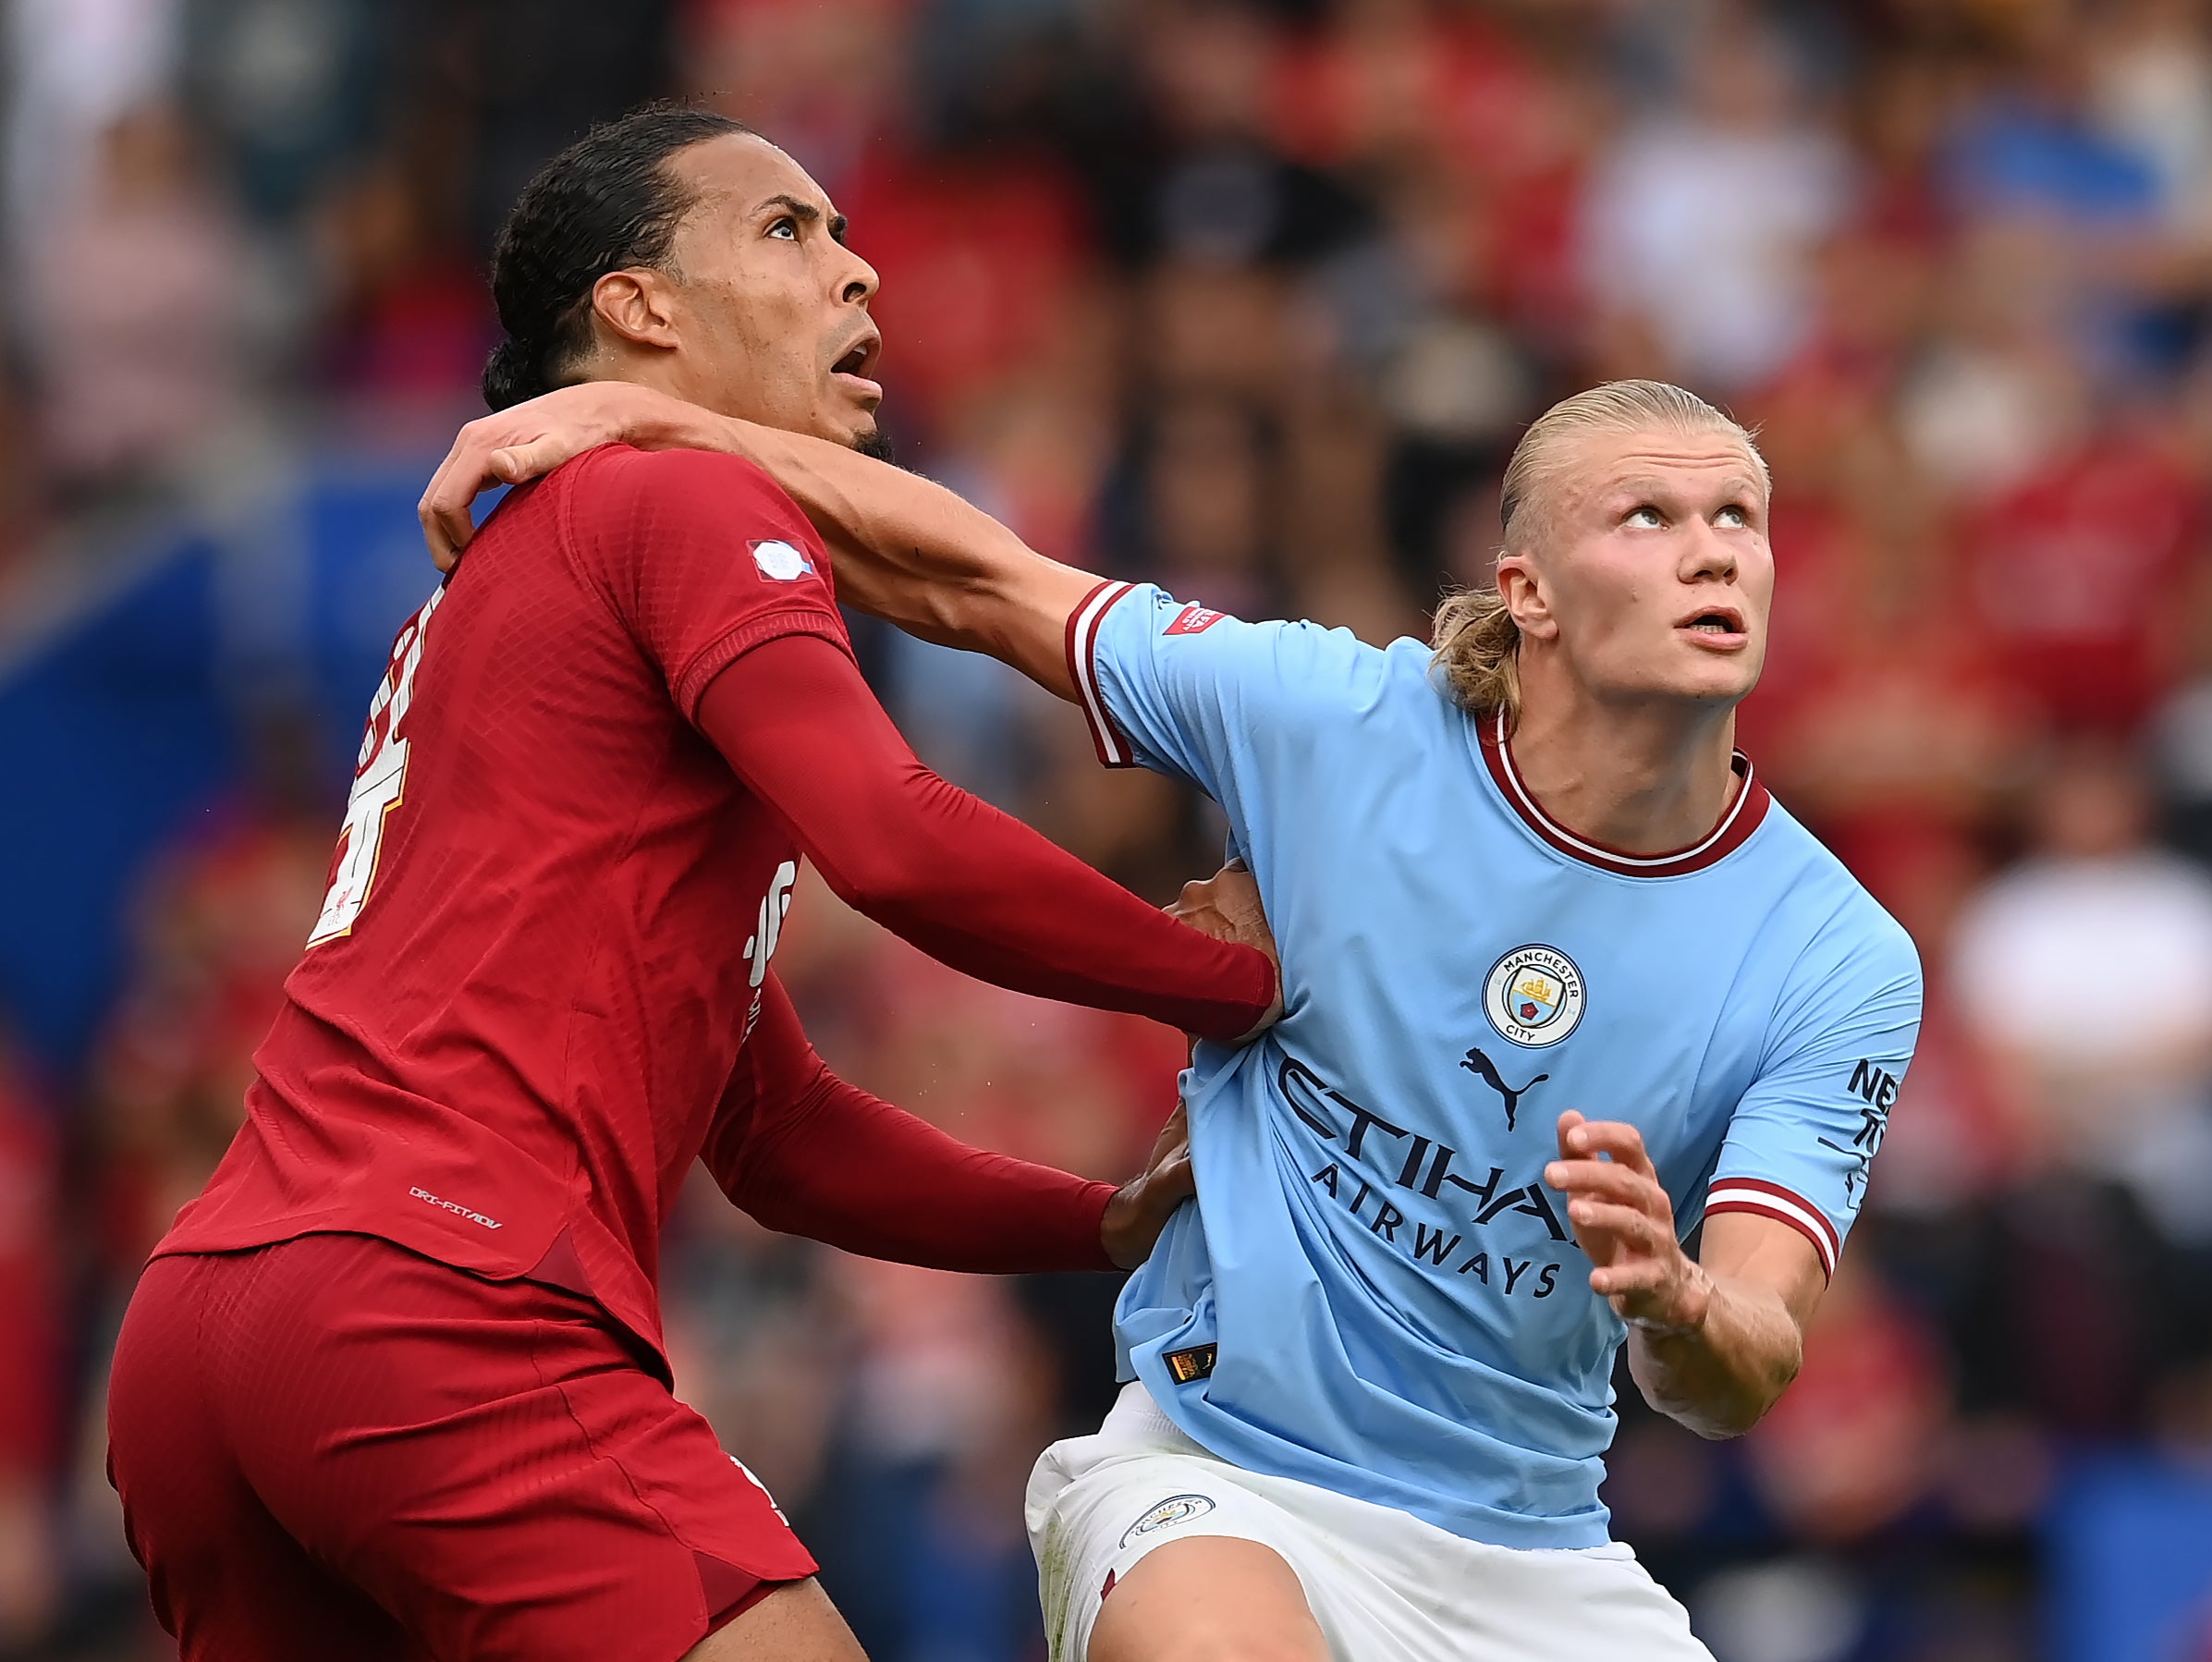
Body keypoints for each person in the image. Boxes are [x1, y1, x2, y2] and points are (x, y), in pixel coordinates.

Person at [424, 374, 1925, 1661]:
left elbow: (1742, 1360)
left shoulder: (1833, 956)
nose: (1709, 553)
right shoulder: (1333, 722)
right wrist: (657, 426)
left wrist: (1666, 1296)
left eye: (1736, 518)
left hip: (1534, 1560)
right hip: (1220, 1481)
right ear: (1524, 588)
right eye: (1646, 520)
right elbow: (978, 580)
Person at [105, 107, 1286, 1662]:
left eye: (846, 230)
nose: (856, 269)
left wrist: (1098, 1223)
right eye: (788, 230)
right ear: (638, 307)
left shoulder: (516, 584)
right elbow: (896, 836)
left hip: (210, 1331)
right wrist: (1248, 976)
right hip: (439, 1299)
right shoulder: (679, 503)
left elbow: (772, 1130)